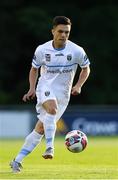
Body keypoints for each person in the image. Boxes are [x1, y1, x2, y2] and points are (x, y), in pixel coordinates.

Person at [10, 16, 90, 173]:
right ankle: (50, 148)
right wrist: (32, 88)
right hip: (45, 87)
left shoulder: (77, 51)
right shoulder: (42, 50)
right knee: (52, 110)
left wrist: (79, 85)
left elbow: (86, 68)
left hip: (63, 94)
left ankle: (17, 161)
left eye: (67, 32)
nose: (63, 35)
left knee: (40, 128)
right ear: (53, 31)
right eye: (60, 31)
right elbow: (34, 69)